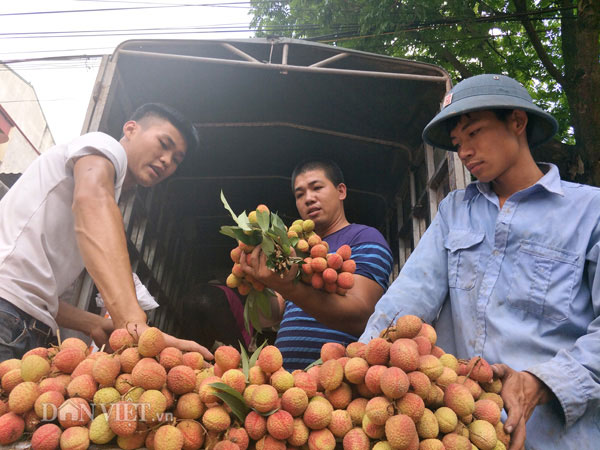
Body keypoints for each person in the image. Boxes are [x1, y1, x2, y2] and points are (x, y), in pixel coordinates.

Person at [360, 74, 600, 449]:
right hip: (461, 433)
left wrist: (543, 381)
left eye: (474, 133)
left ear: (517, 122)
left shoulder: (590, 212)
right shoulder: (455, 211)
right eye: (457, 143)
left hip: (560, 436)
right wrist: (360, 364)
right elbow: (407, 298)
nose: (464, 152)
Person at [0, 103, 213, 362]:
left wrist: (92, 323)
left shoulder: (109, 194)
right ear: (131, 129)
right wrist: (132, 321)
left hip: (23, 325)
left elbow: (33, 289)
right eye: (164, 143)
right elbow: (92, 199)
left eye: (176, 159)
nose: (167, 160)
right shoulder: (104, 146)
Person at [241, 159, 394, 370]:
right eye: (299, 194)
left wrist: (289, 287)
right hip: (285, 383)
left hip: (336, 382)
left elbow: (361, 315)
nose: (308, 198)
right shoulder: (295, 249)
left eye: (317, 188)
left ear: (341, 191)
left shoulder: (364, 237)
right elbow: (268, 317)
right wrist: (257, 280)